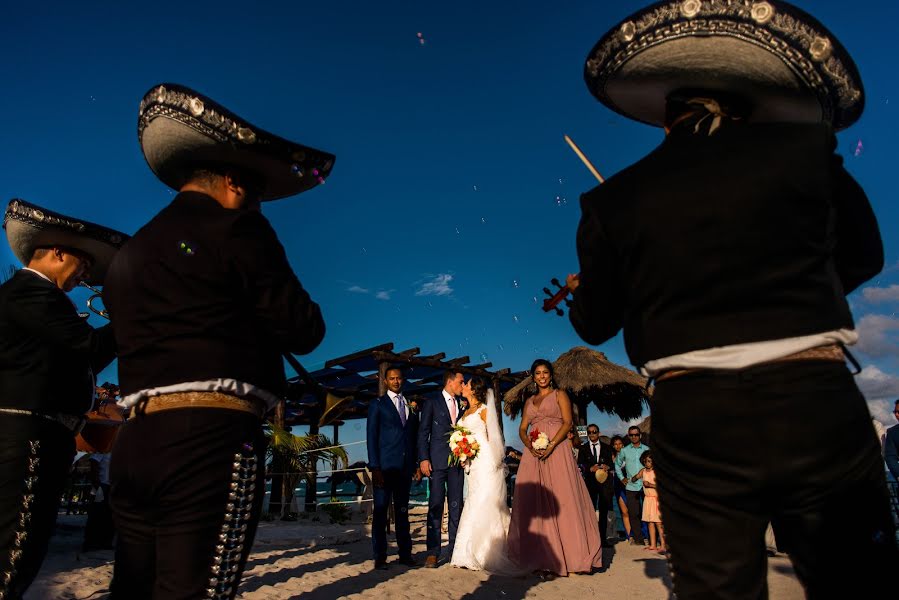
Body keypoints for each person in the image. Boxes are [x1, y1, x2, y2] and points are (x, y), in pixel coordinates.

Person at [570, 2, 897, 597]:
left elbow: (594, 323)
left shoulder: (614, 202)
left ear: (666, 118)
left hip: (696, 414)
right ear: (747, 105)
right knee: (859, 582)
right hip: (813, 399)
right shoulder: (804, 153)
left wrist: (597, 288)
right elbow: (865, 255)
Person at [104, 83, 331, 599]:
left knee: (132, 591)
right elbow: (305, 329)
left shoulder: (128, 254)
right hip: (211, 440)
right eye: (254, 195)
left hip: (134, 443)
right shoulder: (239, 229)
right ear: (233, 183)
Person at [0, 199, 124, 598]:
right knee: (17, 544)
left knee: (25, 541)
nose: (86, 273)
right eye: (84, 262)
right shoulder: (31, 292)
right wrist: (130, 313)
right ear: (57, 252)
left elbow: (89, 355)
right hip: (28, 431)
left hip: (39, 431)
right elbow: (88, 346)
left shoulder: (38, 298)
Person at [508, 359, 602, 576]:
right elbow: (523, 428)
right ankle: (541, 557)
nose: (542, 376)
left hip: (558, 450)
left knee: (564, 498)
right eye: (538, 373)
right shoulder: (529, 401)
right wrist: (530, 446)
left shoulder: (560, 394)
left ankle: (572, 555)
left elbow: (568, 422)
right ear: (533, 377)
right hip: (534, 454)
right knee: (535, 504)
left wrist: (551, 445)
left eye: (545, 372)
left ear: (551, 375)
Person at [451, 377, 521, 573]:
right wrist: (462, 451)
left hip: (485, 462)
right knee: (473, 499)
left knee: (485, 500)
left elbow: (495, 438)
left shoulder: (484, 410)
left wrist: (494, 461)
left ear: (473, 390)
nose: (463, 386)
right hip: (472, 464)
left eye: (467, 384)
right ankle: (464, 554)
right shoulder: (465, 412)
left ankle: (484, 553)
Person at [366, 366, 420, 569]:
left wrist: (415, 464)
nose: (396, 381)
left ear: (403, 379)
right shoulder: (377, 404)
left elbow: (412, 438)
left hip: (405, 468)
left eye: (399, 378)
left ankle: (405, 554)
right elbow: (371, 437)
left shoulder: (410, 404)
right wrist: (375, 467)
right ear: (385, 381)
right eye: (392, 378)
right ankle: (380, 556)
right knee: (380, 512)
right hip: (384, 468)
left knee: (403, 511)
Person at [417, 370, 465, 567]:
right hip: (436, 463)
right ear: (450, 382)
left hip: (456, 464)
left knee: (456, 507)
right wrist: (423, 459)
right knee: (435, 506)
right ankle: (433, 552)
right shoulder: (432, 402)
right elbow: (423, 432)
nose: (463, 386)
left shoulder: (463, 405)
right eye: (461, 382)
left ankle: (454, 550)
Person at [576, 423, 614, 547]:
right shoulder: (583, 448)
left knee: (603, 512)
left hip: (604, 483)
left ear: (598, 433)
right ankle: (591, 539)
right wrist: (589, 468)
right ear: (587, 434)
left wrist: (608, 466)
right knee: (590, 511)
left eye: (594, 432)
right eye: (590, 432)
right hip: (590, 484)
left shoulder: (607, 447)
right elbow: (580, 465)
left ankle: (603, 539)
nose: (592, 434)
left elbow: (612, 464)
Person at [615, 426, 648, 546]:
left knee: (649, 512)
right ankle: (639, 539)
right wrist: (621, 478)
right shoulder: (624, 451)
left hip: (646, 485)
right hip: (631, 486)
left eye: (636, 434)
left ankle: (651, 537)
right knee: (634, 513)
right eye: (631, 435)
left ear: (640, 435)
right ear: (629, 436)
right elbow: (617, 465)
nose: (634, 437)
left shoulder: (646, 449)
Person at [82, 452, 115, 552]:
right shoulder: (103, 449)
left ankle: (105, 541)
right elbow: (94, 461)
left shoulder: (117, 449)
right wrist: (96, 482)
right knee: (96, 512)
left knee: (109, 514)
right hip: (101, 485)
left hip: (111, 485)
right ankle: (91, 542)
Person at [633, 451, 664, 553]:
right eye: (645, 461)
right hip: (647, 499)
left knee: (659, 523)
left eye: (649, 461)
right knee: (650, 522)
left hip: (656, 499)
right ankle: (653, 545)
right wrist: (634, 478)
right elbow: (634, 478)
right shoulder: (643, 471)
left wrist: (650, 485)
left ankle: (663, 545)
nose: (647, 463)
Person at [609, 435, 632, 542]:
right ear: (613, 446)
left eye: (620, 443)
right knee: (624, 511)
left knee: (635, 510)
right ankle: (629, 535)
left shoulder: (628, 455)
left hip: (630, 485)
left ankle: (641, 534)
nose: (618, 446)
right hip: (618, 485)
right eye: (616, 444)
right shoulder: (611, 458)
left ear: (623, 444)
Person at [885, 400, 899, 481]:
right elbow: (890, 456)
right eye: (895, 412)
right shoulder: (892, 432)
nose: (896, 415)